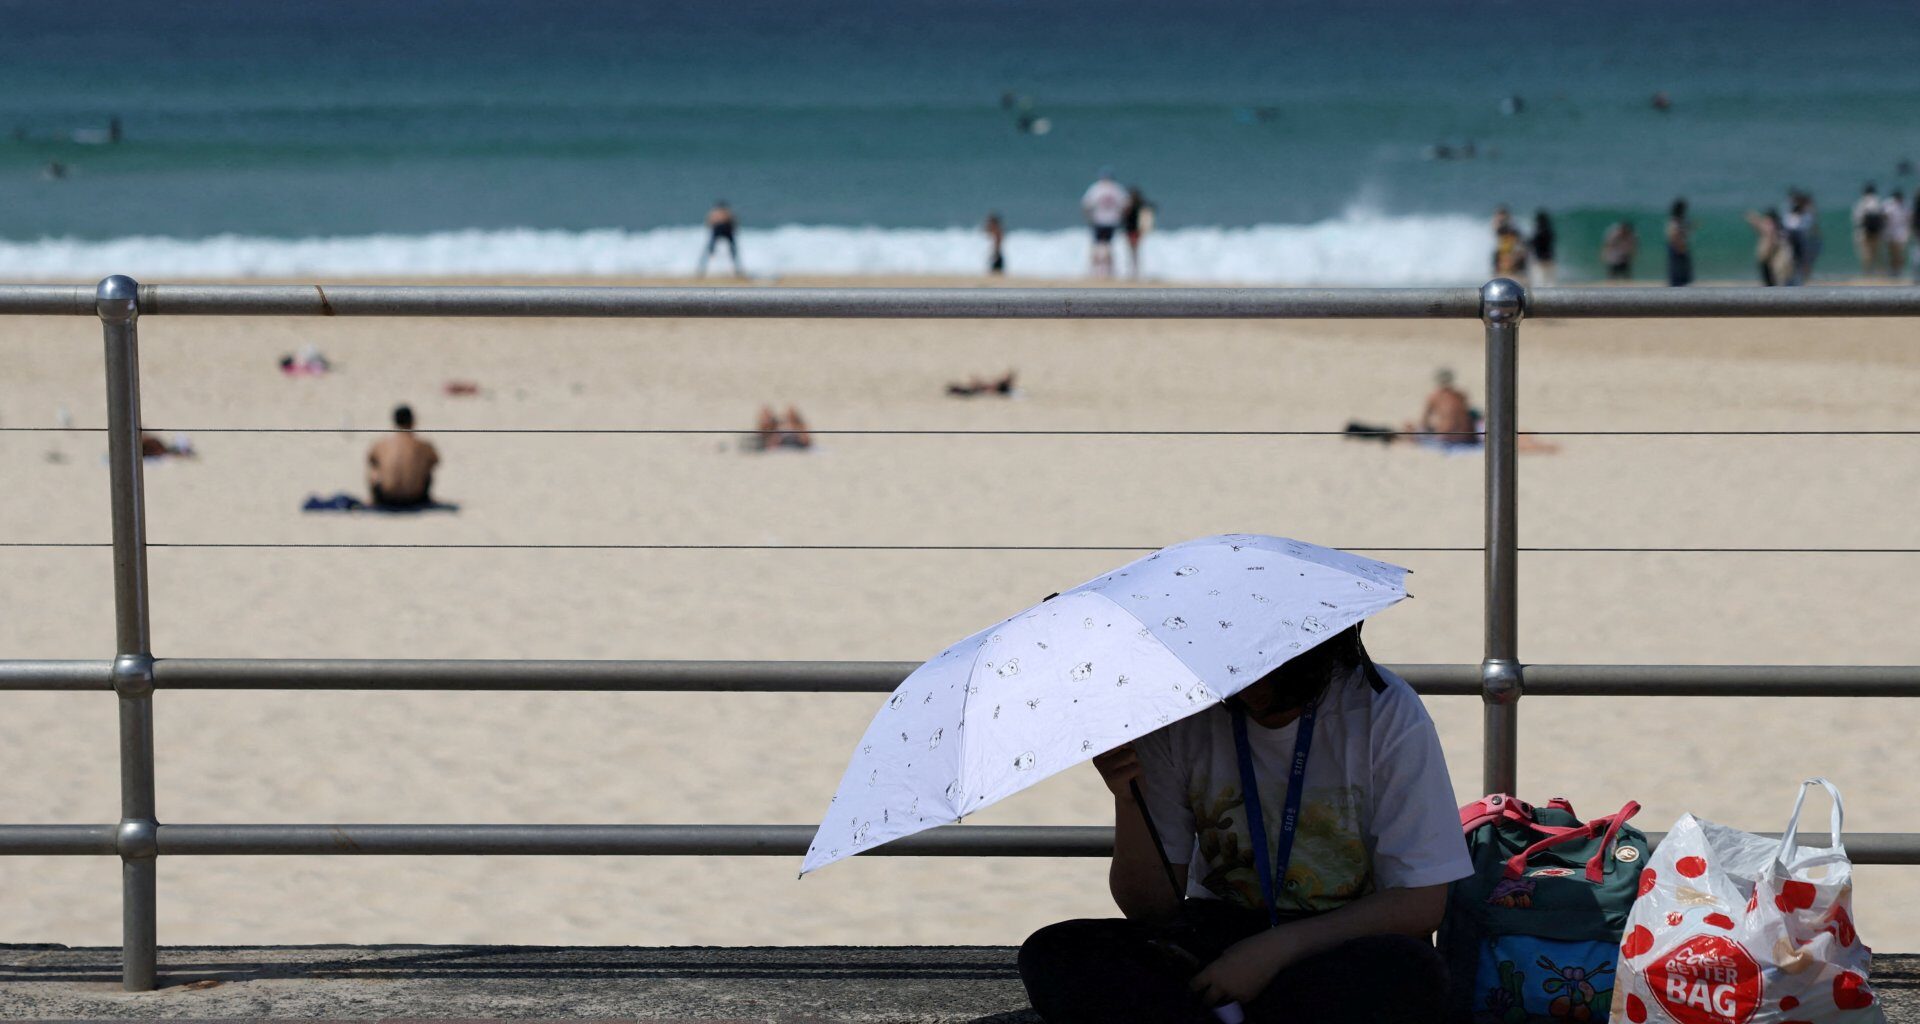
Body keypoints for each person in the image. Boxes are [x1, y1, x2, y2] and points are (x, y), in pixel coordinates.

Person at [1017, 625, 1472, 1023]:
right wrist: (1130, 800)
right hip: (1214, 932)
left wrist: (1274, 950)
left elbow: (1420, 903)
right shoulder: (1183, 710)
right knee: (1054, 952)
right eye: (1241, 676)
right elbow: (1150, 909)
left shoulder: (1383, 708)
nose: (1252, 694)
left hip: (1341, 934)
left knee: (1410, 971)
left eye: (1274, 682)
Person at [366, 405, 439, 508]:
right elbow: (435, 462)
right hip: (416, 498)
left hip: (386, 498)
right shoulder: (424, 445)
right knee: (426, 463)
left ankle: (373, 499)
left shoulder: (381, 444)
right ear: (413, 421)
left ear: (395, 422)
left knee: (375, 467)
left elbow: (371, 460)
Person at [1081, 168, 1130, 279]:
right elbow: (1126, 204)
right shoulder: (1117, 188)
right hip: (1112, 221)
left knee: (1097, 246)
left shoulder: (1096, 188)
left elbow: (1086, 204)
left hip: (1098, 220)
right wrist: (1122, 217)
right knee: (1109, 246)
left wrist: (1089, 218)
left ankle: (1093, 271)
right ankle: (1110, 271)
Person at [1783, 189, 1821, 285]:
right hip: (1797, 241)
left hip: (1798, 241)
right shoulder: (1800, 216)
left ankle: (1798, 280)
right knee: (1796, 263)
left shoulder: (1799, 216)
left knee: (1799, 263)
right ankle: (1797, 280)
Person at [697, 200, 743, 278]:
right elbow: (709, 222)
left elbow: (734, 223)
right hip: (719, 230)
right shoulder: (720, 213)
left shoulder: (725, 213)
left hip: (726, 230)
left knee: (732, 251)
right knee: (711, 250)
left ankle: (737, 270)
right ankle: (702, 269)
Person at [1745, 209, 1788, 286]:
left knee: (1775, 280)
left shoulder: (1776, 231)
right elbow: (1757, 224)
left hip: (1773, 260)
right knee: (1768, 281)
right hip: (1765, 259)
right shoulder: (1770, 229)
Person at [1852, 183, 1886, 275]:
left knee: (1865, 254)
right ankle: (1880, 274)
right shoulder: (1877, 201)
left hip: (1863, 231)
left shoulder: (1861, 203)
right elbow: (1882, 216)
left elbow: (1857, 219)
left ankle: (1867, 273)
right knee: (1878, 253)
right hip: (1876, 231)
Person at [1123, 187, 1155, 280]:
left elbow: (1125, 219)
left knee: (1132, 252)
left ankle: (1134, 272)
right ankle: (1135, 271)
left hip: (1133, 231)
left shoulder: (1132, 206)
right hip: (1135, 231)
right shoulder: (1140, 205)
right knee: (1134, 252)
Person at [1665, 199, 1694, 287]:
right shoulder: (1675, 221)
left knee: (1681, 274)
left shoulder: (1677, 221)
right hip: (1678, 248)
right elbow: (1674, 236)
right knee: (1678, 274)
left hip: (1678, 247)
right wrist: (1681, 247)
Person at [1880, 189, 1908, 279]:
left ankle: (1897, 271)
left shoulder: (1903, 205)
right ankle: (1892, 271)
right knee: (1892, 254)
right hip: (1890, 233)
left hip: (1900, 233)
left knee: (1898, 254)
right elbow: (1884, 216)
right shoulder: (1889, 204)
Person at [1528, 210, 1556, 286]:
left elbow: (1531, 244)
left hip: (1539, 260)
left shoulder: (1537, 232)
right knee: (1550, 282)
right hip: (1549, 258)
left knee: (1540, 282)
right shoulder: (1549, 231)